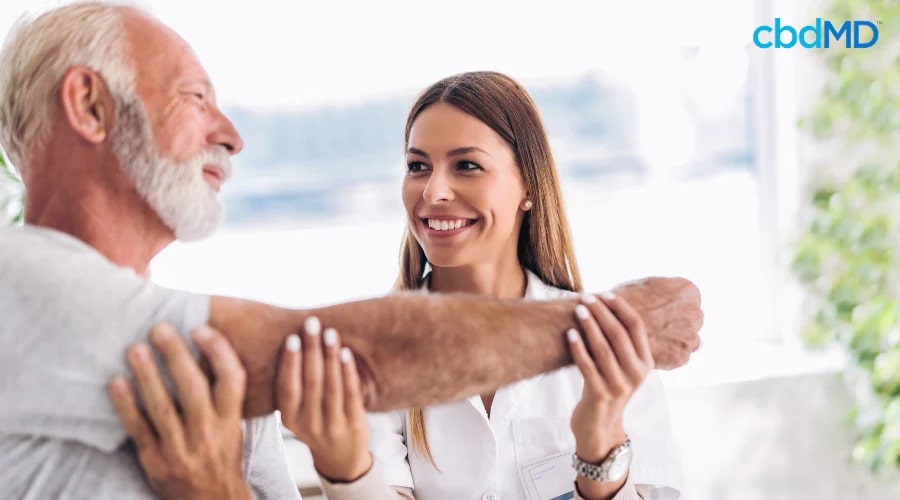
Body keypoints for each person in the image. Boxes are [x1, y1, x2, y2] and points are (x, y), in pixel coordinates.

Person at [0, 2, 702, 498]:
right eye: (195, 97)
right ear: (89, 105)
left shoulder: (228, 375)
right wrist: (614, 325)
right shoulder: (19, 283)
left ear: (528, 186)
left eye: (468, 165)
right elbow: (361, 355)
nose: (233, 134)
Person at [270, 72, 684, 499]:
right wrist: (344, 464)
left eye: (466, 165)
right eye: (418, 166)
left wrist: (600, 449)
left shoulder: (613, 348)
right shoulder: (371, 352)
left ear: (528, 184)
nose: (433, 190)